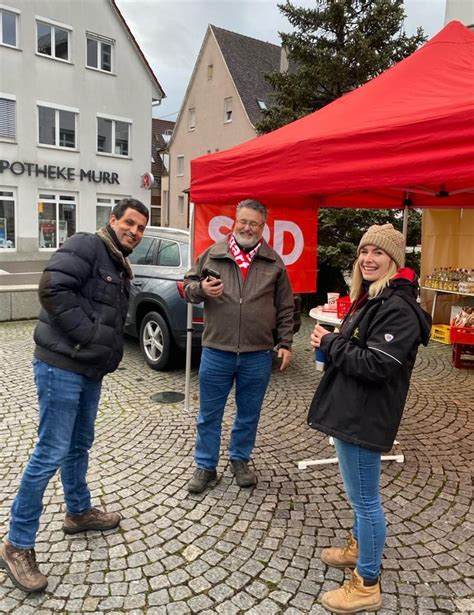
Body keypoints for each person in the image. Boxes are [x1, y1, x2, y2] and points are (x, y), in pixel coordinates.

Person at [0, 198, 149, 593]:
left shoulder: (116, 260)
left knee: (79, 445)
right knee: (50, 452)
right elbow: (52, 288)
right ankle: (17, 543)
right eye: (129, 223)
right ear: (112, 220)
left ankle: (78, 512)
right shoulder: (87, 245)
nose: (134, 231)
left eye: (140, 228)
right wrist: (88, 336)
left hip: (87, 368)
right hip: (61, 365)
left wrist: (96, 347)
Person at [308, 223, 431, 613]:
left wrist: (331, 342)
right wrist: (333, 345)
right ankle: (360, 547)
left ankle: (367, 583)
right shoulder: (372, 299)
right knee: (359, 497)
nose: (368, 258)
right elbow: (359, 351)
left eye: (378, 253)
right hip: (352, 409)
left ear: (394, 260)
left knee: (366, 502)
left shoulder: (398, 308)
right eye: (364, 252)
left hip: (365, 418)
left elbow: (378, 365)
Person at [184, 199, 294, 494]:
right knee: (209, 413)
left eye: (254, 223)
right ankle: (205, 466)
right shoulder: (213, 254)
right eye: (243, 221)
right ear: (234, 221)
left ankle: (239, 459)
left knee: (249, 412)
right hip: (216, 350)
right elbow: (188, 288)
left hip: (257, 353)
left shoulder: (273, 262)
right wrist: (201, 289)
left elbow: (285, 306)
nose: (247, 227)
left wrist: (285, 343)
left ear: (263, 227)